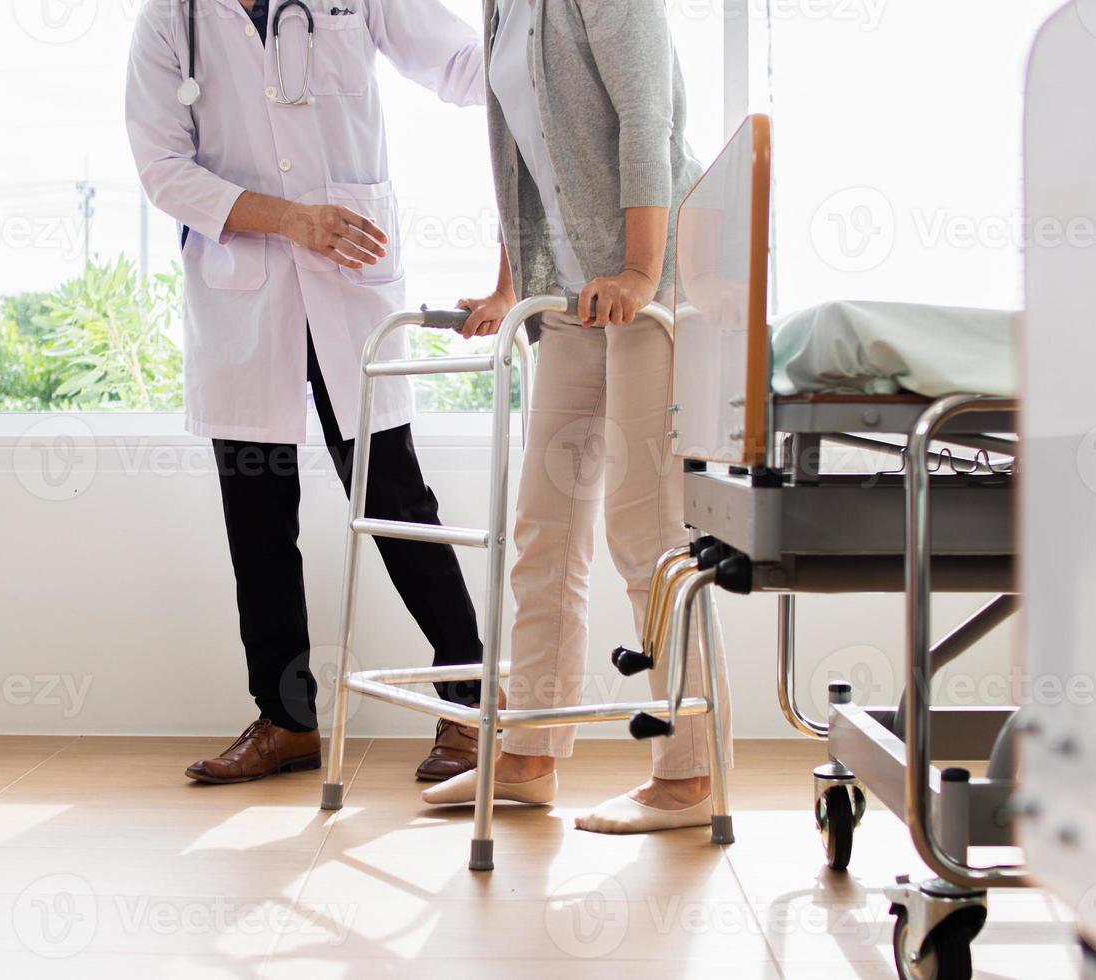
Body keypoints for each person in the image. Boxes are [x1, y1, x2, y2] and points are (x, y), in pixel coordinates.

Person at [126, 0, 492, 784]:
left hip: (349, 276)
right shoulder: (171, 18)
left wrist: (542, 65)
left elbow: (460, 61)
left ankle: (467, 705)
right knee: (257, 516)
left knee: (395, 499)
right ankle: (286, 721)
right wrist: (289, 219)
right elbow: (161, 168)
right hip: (244, 291)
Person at [421, 0, 735, 833]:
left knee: (646, 530)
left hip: (650, 288)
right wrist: (508, 281)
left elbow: (647, 119)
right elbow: (518, 154)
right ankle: (529, 751)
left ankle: (688, 773)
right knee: (544, 529)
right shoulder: (501, 9)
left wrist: (638, 270)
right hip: (568, 298)